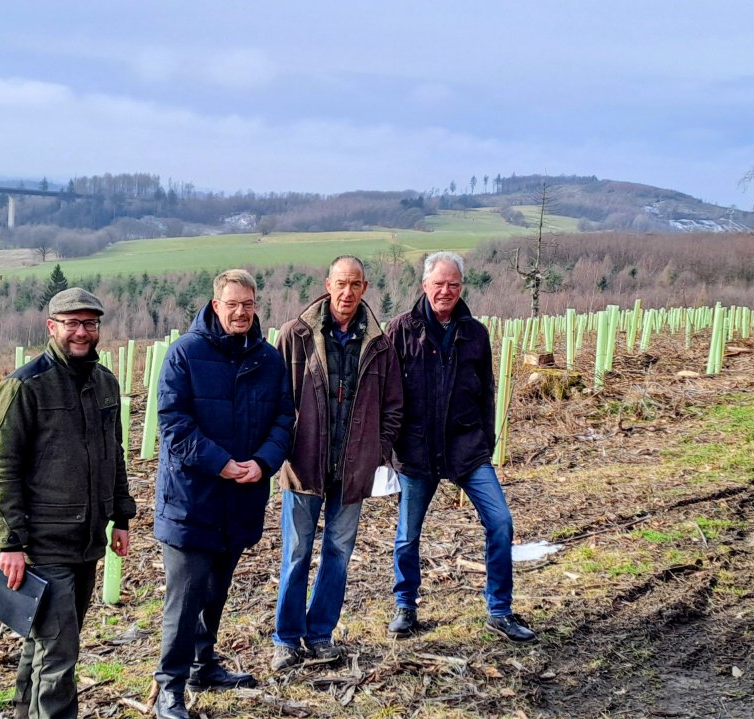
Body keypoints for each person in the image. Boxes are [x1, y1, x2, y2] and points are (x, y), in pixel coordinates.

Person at [0, 287, 138, 719]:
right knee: (60, 653)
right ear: (52, 327)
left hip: (87, 541)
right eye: (72, 323)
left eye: (89, 323)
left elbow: (114, 455)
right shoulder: (25, 386)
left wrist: (121, 517)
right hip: (43, 544)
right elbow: (1, 468)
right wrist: (11, 543)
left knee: (43, 644)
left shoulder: (105, 382)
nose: (81, 332)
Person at [151, 269, 294, 719]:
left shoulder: (269, 360)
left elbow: (284, 420)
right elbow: (174, 424)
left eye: (248, 305)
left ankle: (202, 664)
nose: (240, 312)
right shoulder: (185, 354)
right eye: (232, 304)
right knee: (185, 596)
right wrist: (222, 462)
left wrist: (263, 462)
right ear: (216, 305)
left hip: (240, 501)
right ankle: (169, 686)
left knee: (216, 590)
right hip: (191, 501)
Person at [385, 251, 536, 643]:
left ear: (462, 286)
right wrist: (388, 450)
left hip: (466, 448)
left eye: (453, 284)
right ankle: (406, 605)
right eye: (438, 284)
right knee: (407, 535)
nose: (446, 291)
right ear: (424, 286)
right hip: (416, 451)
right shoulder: (401, 330)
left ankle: (499, 610)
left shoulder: (475, 333)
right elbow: (385, 396)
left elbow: (486, 391)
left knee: (500, 522)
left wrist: (486, 441)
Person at [270, 256, 403, 671]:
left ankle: (321, 633)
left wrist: (377, 450)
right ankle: (286, 639)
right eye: (341, 283)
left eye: (355, 284)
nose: (347, 292)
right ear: (328, 284)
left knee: (338, 554)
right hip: (304, 464)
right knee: (295, 553)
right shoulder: (297, 335)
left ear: (365, 288)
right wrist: (285, 445)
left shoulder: (379, 344)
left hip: (353, 469)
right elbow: (277, 398)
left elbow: (394, 406)